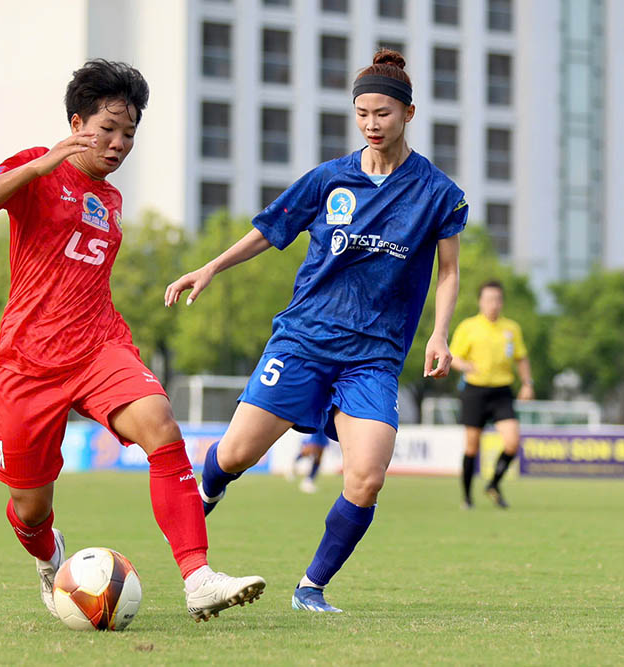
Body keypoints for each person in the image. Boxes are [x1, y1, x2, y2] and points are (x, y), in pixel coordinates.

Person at [0, 59, 265, 623]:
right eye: (108, 129)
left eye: (129, 134)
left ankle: (198, 578)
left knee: (162, 427)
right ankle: (49, 553)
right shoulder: (37, 167)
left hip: (100, 345)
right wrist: (46, 161)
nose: (120, 143)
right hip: (26, 365)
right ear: (77, 122)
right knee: (29, 510)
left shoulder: (112, 200)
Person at [165, 49, 466, 613]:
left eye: (383, 113)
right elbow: (269, 229)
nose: (372, 125)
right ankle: (206, 490)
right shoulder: (330, 179)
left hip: (373, 357)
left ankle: (311, 588)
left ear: (409, 113)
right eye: (362, 114)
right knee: (234, 454)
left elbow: (448, 271)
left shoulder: (438, 193)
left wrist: (440, 333)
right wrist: (210, 267)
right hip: (302, 341)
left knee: (367, 478)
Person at [448, 280, 533, 510]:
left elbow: (521, 357)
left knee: (513, 443)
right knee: (472, 447)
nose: (493, 304)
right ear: (480, 302)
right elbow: (452, 356)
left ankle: (493, 484)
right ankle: (466, 498)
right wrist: (466, 366)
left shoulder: (511, 328)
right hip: (474, 391)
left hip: (502, 392)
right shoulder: (469, 327)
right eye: (489, 300)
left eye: (497, 299)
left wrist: (527, 383)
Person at [289, 427, 332, 494]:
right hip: (318, 429)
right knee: (307, 452)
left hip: (324, 430)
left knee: (318, 458)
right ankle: (294, 467)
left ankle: (309, 480)